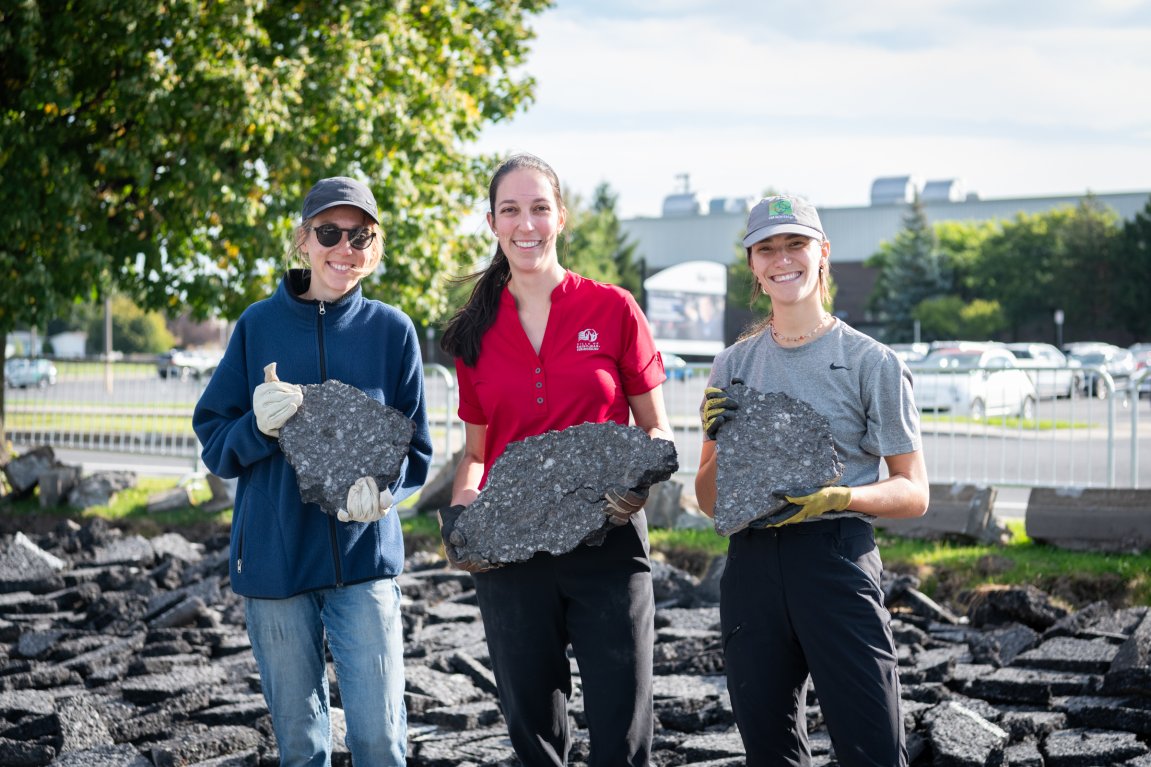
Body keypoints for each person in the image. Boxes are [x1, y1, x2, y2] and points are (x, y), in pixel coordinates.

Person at [438, 153, 673, 767]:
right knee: (535, 739)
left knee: (623, 736)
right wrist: (463, 518)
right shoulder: (474, 333)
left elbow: (656, 431)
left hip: (610, 545)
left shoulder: (613, 308)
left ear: (561, 217)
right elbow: (476, 456)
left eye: (539, 208)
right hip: (512, 553)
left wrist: (637, 487)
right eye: (510, 210)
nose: (527, 224)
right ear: (492, 223)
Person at [194, 176, 432, 766]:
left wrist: (385, 493)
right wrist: (258, 428)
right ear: (304, 241)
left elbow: (417, 450)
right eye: (330, 233)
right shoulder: (256, 326)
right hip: (274, 563)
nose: (344, 249)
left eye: (361, 237)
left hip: (364, 562)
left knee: (379, 742)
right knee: (302, 748)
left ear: (374, 247)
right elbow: (215, 442)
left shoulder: (392, 331)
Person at [694, 195, 929, 767]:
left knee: (871, 748)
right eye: (767, 248)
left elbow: (914, 491)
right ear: (752, 264)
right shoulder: (732, 365)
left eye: (795, 244)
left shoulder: (872, 362)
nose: (782, 259)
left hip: (835, 560)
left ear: (822, 252)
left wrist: (842, 496)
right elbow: (709, 502)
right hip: (750, 565)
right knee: (769, 753)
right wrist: (720, 447)